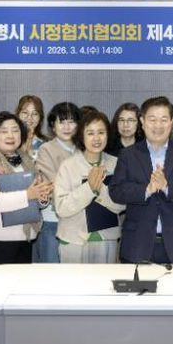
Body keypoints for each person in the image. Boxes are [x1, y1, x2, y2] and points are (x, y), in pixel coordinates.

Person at [110, 96, 173, 264]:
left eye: (163, 120)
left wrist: (167, 187)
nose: (158, 125)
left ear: (172, 122)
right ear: (142, 122)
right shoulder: (128, 155)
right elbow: (116, 191)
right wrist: (146, 190)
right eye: (152, 120)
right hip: (136, 245)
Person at [0, 112, 52, 265]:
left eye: (15, 130)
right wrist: (27, 195)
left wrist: (42, 197)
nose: (10, 135)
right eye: (4, 131)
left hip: (24, 237)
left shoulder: (26, 159)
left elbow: (36, 195)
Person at [54, 111, 125, 263]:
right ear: (81, 136)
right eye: (90, 133)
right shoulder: (68, 166)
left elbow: (123, 204)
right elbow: (61, 208)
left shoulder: (116, 164)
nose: (96, 138)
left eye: (101, 132)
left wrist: (100, 190)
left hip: (106, 238)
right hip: (74, 241)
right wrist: (89, 188)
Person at [35, 102, 82, 263]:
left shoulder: (84, 148)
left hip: (81, 222)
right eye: (61, 122)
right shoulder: (46, 149)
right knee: (52, 271)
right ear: (53, 127)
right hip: (53, 220)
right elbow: (54, 185)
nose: (67, 127)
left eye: (71, 122)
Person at [15, 95, 48, 161]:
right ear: (18, 115)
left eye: (35, 113)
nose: (29, 117)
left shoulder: (46, 144)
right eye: (25, 112)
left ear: (40, 118)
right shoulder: (10, 140)